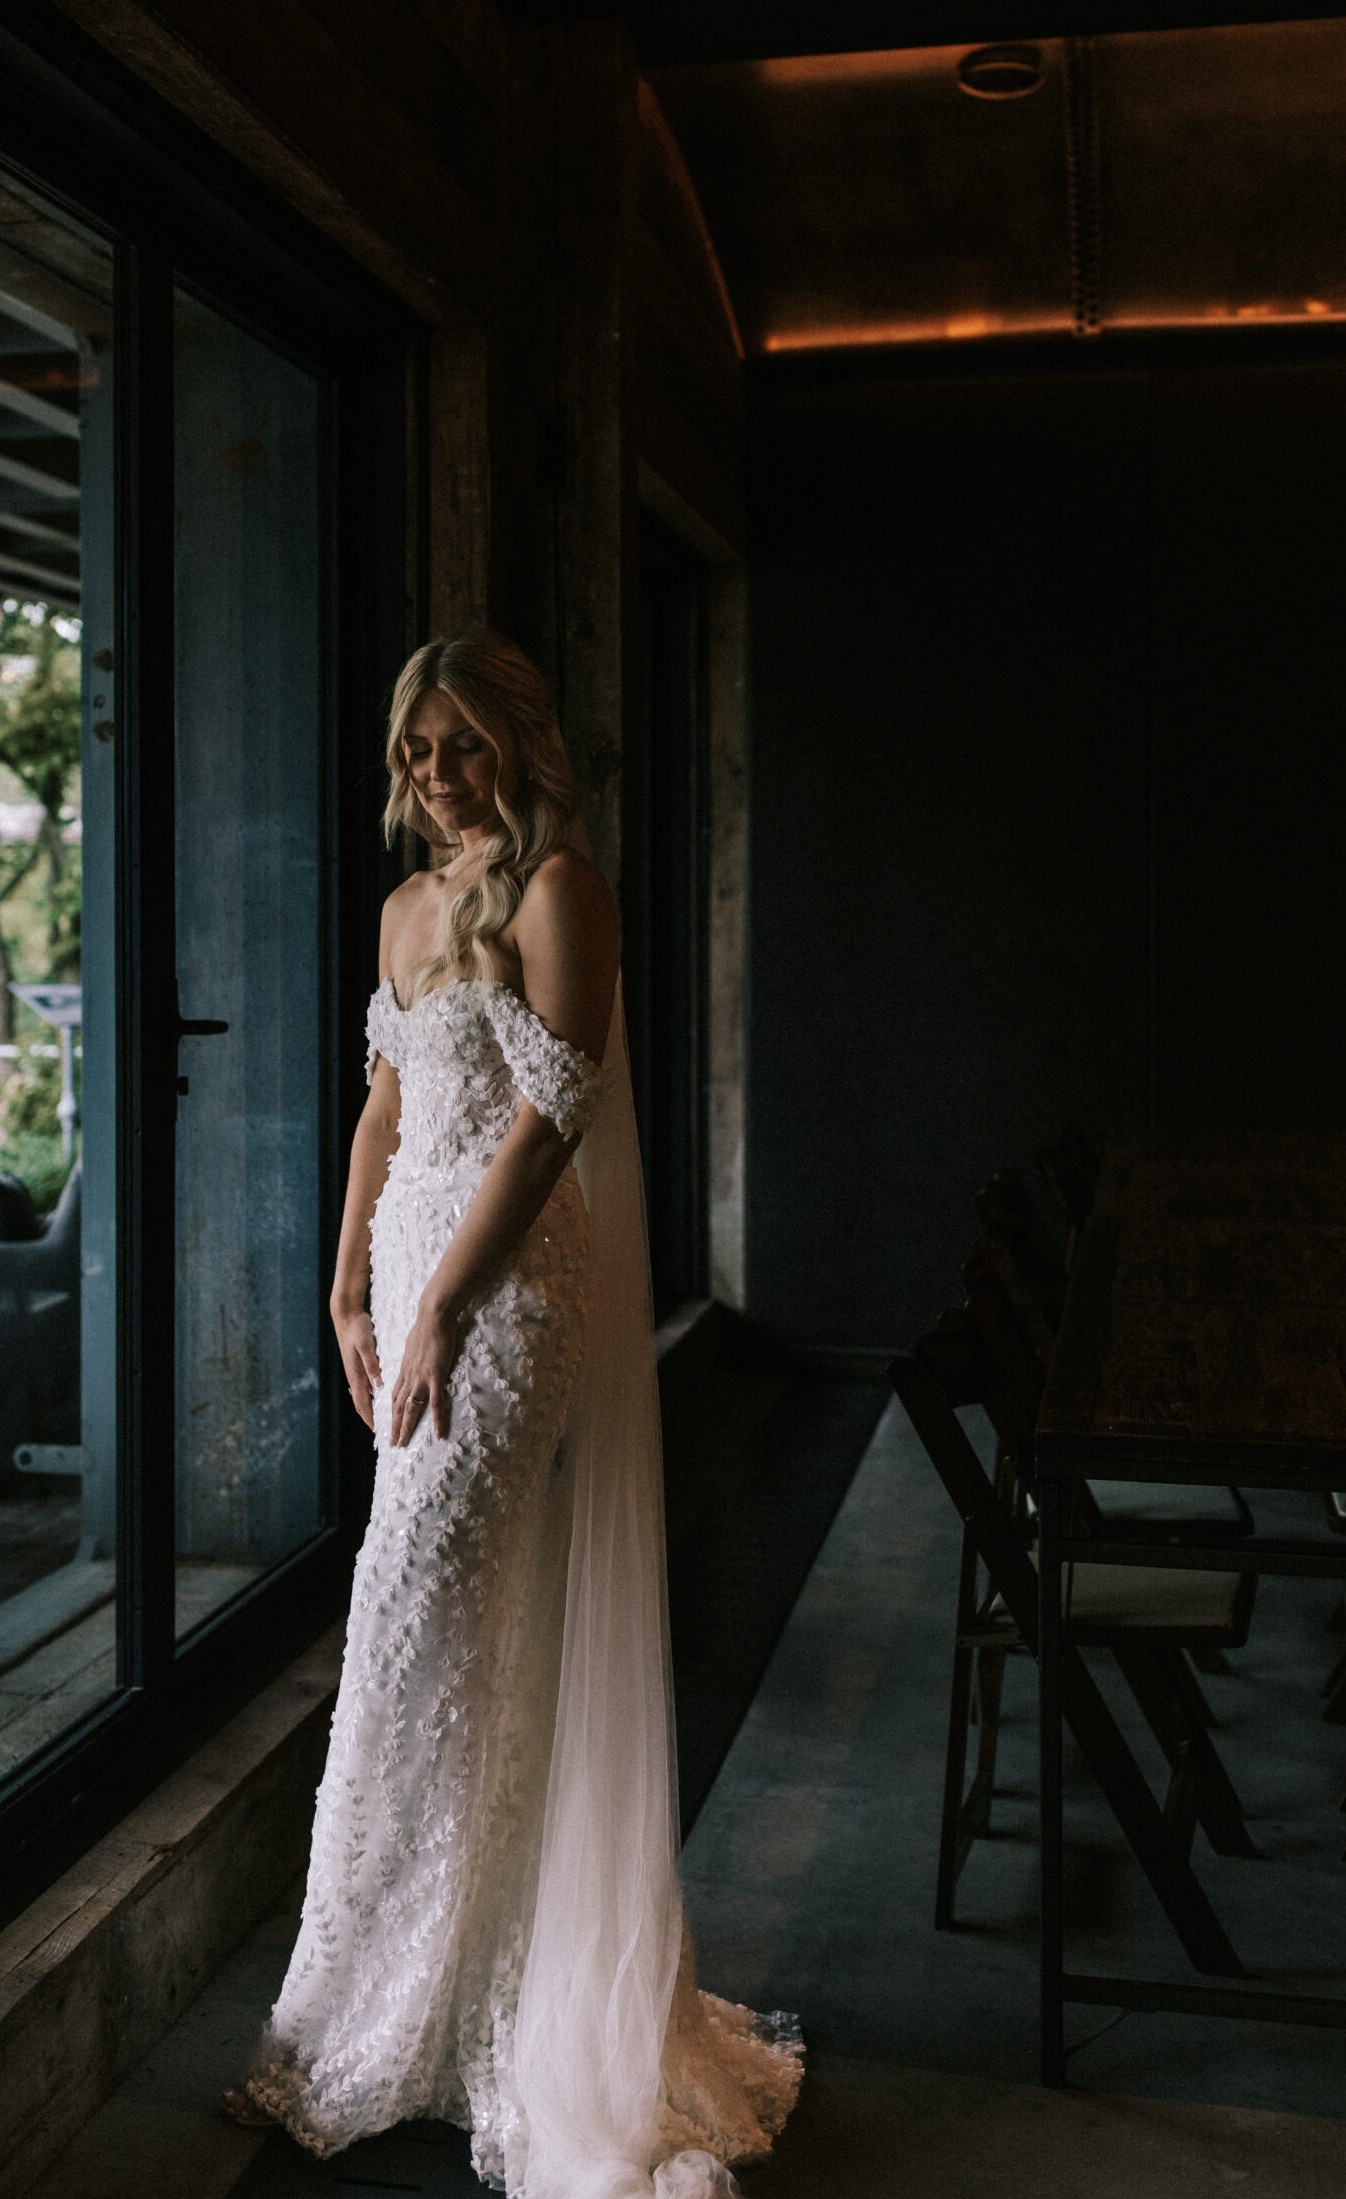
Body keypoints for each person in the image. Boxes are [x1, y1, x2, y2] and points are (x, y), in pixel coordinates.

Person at [224, 630, 801, 2198]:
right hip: (408, 1280)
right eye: (419, 747)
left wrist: (445, 1307)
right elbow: (389, 1106)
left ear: (520, 748)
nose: (436, 772)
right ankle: (404, 2004)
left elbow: (553, 1119)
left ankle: (429, 2023)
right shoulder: (416, 904)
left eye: (464, 745)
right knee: (450, 1633)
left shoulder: (560, 891)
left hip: (511, 1297)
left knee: (419, 1616)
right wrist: (345, 1287)